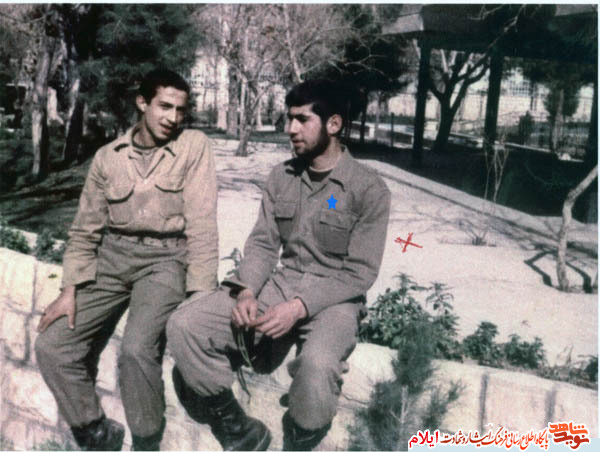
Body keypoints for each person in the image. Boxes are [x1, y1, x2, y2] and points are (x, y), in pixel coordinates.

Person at [167, 79, 391, 451]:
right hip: (280, 286)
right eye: (289, 119)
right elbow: (262, 245)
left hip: (335, 300)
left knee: (317, 368)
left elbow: (360, 272)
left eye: (302, 119)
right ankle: (240, 431)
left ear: (334, 124)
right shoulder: (281, 177)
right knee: (185, 324)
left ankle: (299, 440)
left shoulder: (368, 189)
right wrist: (246, 291)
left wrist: (299, 308)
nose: (290, 129)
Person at [35, 68, 219, 451]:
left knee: (136, 350)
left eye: (180, 110)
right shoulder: (108, 157)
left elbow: (202, 222)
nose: (173, 117)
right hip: (112, 258)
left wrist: (201, 292)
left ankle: (147, 442)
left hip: (166, 260)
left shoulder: (193, 146)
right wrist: (69, 290)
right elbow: (85, 229)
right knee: (53, 345)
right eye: (164, 106)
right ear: (142, 103)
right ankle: (97, 434)